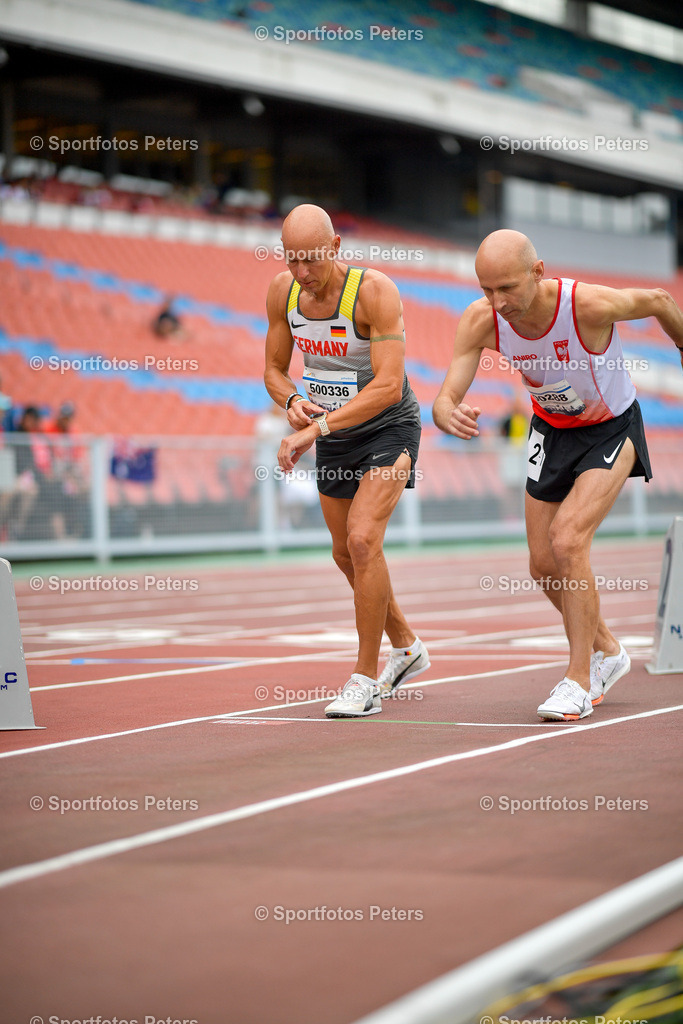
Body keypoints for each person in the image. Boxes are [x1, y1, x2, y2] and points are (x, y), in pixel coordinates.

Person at [433, 229, 683, 722]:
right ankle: (609, 650)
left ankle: (579, 678)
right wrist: (444, 407)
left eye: (506, 288)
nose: (497, 302)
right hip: (550, 430)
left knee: (569, 541)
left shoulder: (585, 306)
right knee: (543, 564)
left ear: (538, 272)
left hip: (612, 428)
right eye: (486, 289)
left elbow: (658, 299)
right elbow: (452, 383)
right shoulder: (484, 320)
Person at [263, 204, 430, 718]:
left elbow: (384, 385)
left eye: (311, 260)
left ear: (335, 247)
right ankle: (407, 647)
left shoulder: (374, 291)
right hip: (334, 433)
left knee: (362, 538)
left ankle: (364, 678)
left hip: (388, 425)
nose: (302, 273)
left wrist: (316, 427)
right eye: (292, 260)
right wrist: (292, 402)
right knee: (343, 553)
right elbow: (272, 369)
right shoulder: (282, 293)